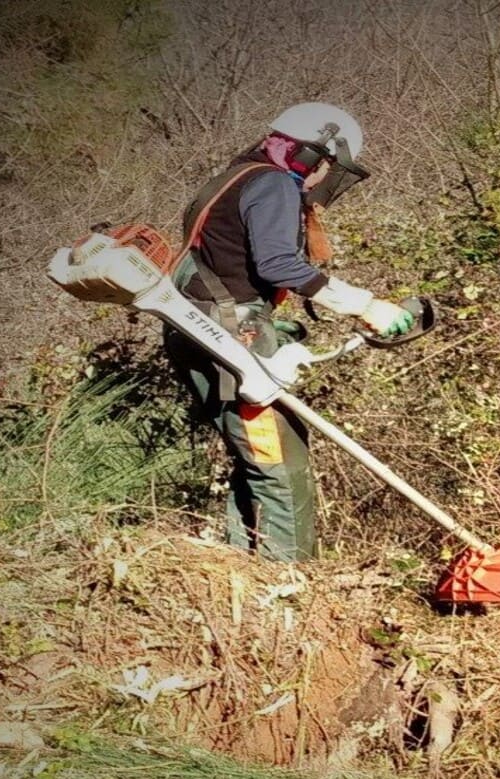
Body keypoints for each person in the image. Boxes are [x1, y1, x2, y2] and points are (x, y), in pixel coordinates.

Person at [164, 102, 414, 562]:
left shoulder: (233, 178)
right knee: (279, 460)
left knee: (256, 459)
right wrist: (364, 305)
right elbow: (278, 263)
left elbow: (223, 262)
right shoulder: (274, 184)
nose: (323, 180)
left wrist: (273, 320)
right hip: (230, 335)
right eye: (326, 168)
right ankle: (288, 581)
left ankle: (244, 568)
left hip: (199, 329)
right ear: (312, 157)